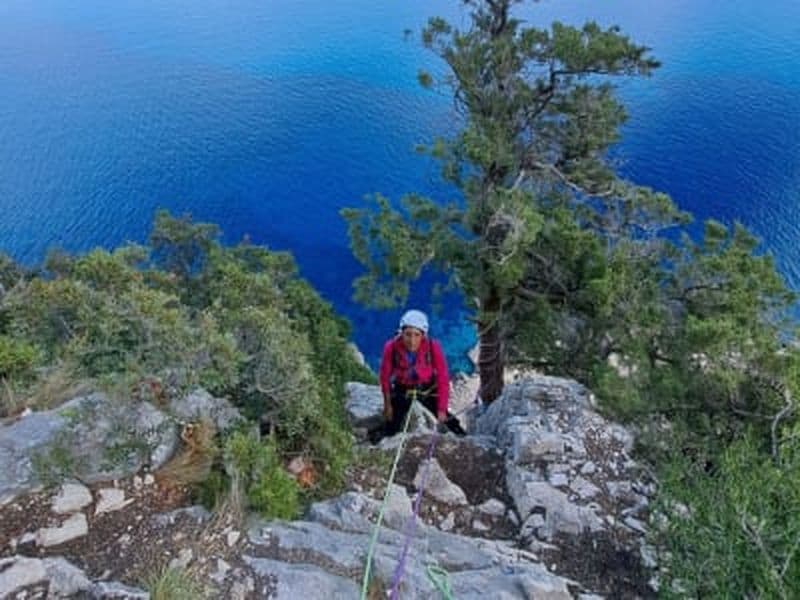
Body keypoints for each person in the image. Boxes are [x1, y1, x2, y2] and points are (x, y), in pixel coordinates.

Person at [376, 309, 466, 438]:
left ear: (423, 335)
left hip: (427, 389)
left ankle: (462, 435)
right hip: (403, 389)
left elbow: (443, 378)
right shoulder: (391, 347)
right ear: (401, 333)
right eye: (408, 334)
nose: (412, 340)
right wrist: (387, 405)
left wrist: (441, 409)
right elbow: (384, 377)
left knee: (447, 419)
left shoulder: (433, 347)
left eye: (416, 335)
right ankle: (382, 437)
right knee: (392, 425)